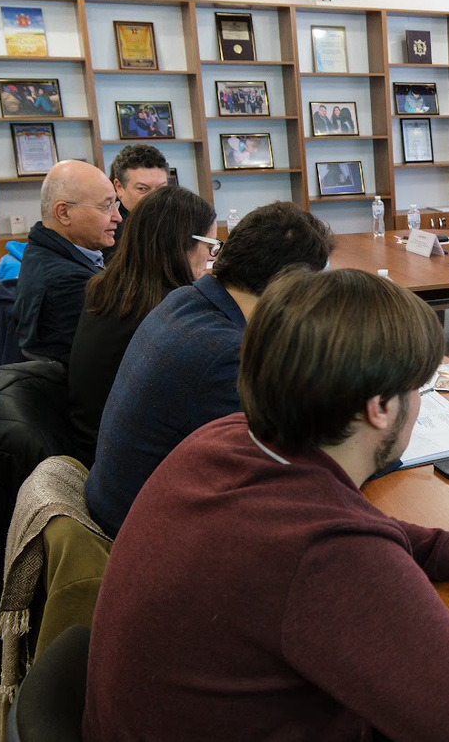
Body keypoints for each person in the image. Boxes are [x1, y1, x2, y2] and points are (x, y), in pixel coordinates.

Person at [82, 268, 449, 740]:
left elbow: (352, 526)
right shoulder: (328, 556)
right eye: (419, 388)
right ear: (380, 408)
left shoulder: (226, 438)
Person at [84, 202, 334, 536]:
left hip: (121, 506)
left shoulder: (187, 300)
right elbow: (281, 465)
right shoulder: (225, 355)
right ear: (287, 287)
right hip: (143, 536)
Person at [67, 186, 218, 466]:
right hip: (122, 462)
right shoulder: (168, 310)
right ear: (180, 244)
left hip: (91, 446)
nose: (211, 258)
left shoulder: (109, 288)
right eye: (210, 246)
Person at [11, 160, 122, 364]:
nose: (118, 217)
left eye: (115, 205)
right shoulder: (67, 283)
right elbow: (110, 359)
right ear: (63, 213)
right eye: (107, 206)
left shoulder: (43, 249)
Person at [105, 143, 169, 257]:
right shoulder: (108, 230)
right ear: (119, 187)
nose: (155, 197)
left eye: (161, 188)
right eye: (142, 189)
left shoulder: (175, 216)